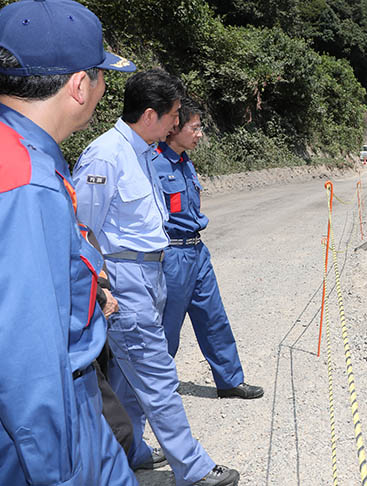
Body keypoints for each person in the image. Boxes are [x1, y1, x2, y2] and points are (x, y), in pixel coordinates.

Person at [73, 69, 239, 486]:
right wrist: (101, 286)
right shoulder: (106, 155)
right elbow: (79, 229)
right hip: (125, 275)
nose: (176, 124)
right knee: (158, 374)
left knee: (131, 379)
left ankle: (131, 451)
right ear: (151, 115)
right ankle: (193, 468)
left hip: (153, 270)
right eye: (174, 115)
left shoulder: (145, 151)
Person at [0, 0, 138, 484]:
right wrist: (58, 472)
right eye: (102, 75)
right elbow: (28, 360)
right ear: (80, 85)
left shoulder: (18, 151)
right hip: (52, 416)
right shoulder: (28, 182)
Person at [155, 97, 263, 400]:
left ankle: (229, 381)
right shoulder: (153, 164)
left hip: (197, 252)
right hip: (172, 255)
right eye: (195, 127)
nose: (199, 134)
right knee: (167, 327)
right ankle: (156, 389)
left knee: (214, 317)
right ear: (174, 128)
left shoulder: (186, 163)